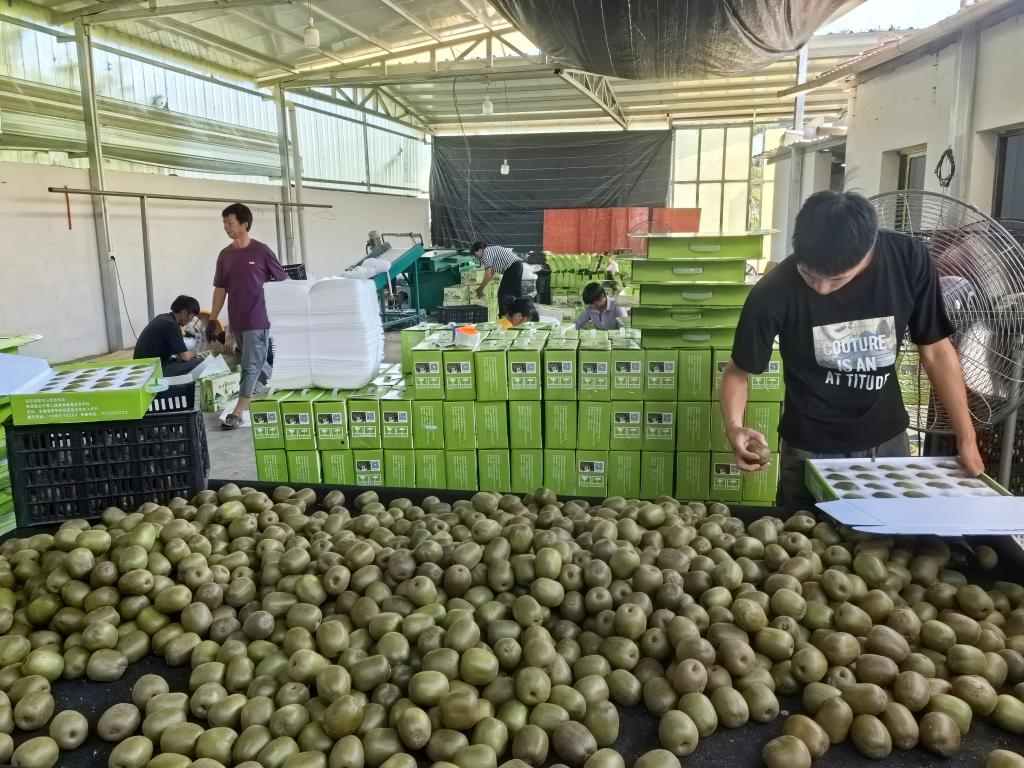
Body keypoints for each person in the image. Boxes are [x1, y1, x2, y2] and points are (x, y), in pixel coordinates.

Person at [722, 191, 984, 511]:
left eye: (836, 280)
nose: (821, 289)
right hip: (809, 448)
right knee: (805, 535)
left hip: (887, 443)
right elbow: (738, 371)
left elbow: (936, 351)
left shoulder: (908, 260)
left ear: (867, 253)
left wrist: (966, 437)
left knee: (891, 533)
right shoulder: (775, 289)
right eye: (809, 275)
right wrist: (733, 426)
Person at [208, 203, 288, 431]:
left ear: (244, 224)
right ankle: (277, 389)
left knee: (250, 364)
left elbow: (283, 281)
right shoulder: (225, 255)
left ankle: (238, 412)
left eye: (230, 223)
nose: (226, 227)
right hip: (237, 320)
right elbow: (220, 288)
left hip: (258, 318)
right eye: (224, 223)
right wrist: (213, 319)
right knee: (254, 361)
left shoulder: (262, 251)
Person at [134, 295, 203, 376]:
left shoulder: (163, 317)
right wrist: (195, 352)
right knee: (199, 362)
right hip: (149, 371)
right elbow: (185, 356)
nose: (191, 320)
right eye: (192, 316)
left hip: (142, 365)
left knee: (179, 360)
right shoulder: (172, 325)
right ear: (184, 312)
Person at [472, 241, 523, 315]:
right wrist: (483, 287)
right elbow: (491, 273)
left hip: (512, 267)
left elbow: (488, 275)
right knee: (516, 292)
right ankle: (521, 313)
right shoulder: (490, 251)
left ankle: (503, 316)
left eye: (475, 254)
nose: (476, 256)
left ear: (479, 250)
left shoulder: (485, 254)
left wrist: (481, 288)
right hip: (518, 264)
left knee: (502, 293)